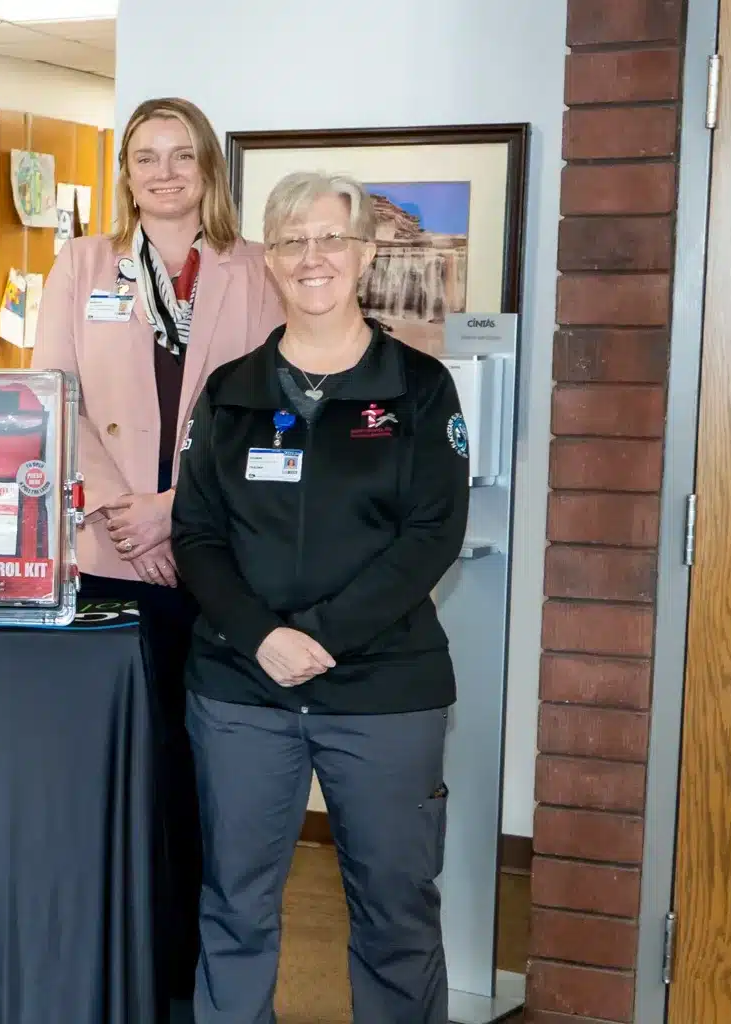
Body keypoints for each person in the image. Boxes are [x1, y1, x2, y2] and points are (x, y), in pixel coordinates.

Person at [169, 170, 470, 1024]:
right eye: (293, 241)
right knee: (234, 904)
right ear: (271, 261)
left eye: (331, 238)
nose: (313, 258)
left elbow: (431, 538)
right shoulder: (230, 390)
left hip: (384, 692)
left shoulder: (418, 388)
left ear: (365, 254)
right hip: (240, 690)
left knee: (395, 914)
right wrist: (263, 637)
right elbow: (197, 535)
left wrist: (322, 638)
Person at [30, 95, 283, 1017]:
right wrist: (123, 508)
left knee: (209, 783)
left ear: (209, 169)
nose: (165, 173)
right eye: (146, 157)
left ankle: (193, 985)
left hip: (216, 561)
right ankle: (121, 973)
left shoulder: (254, 272)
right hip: (107, 558)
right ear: (125, 172)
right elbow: (54, 393)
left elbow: (273, 414)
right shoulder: (83, 265)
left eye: (183, 156)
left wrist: (178, 511)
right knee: (124, 775)